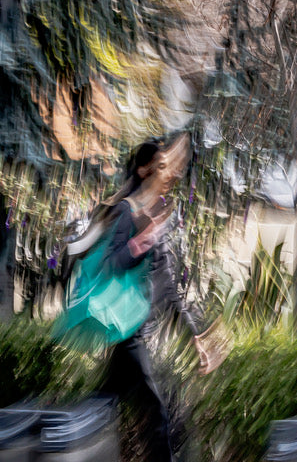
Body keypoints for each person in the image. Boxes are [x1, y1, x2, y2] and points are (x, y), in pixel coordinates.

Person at [62, 132, 208, 461]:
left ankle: (59, 441)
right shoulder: (127, 212)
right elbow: (112, 263)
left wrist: (193, 334)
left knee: (105, 401)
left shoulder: (156, 213)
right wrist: (140, 242)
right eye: (160, 166)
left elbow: (168, 286)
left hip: (135, 328)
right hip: (128, 330)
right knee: (156, 415)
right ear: (143, 171)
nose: (169, 173)